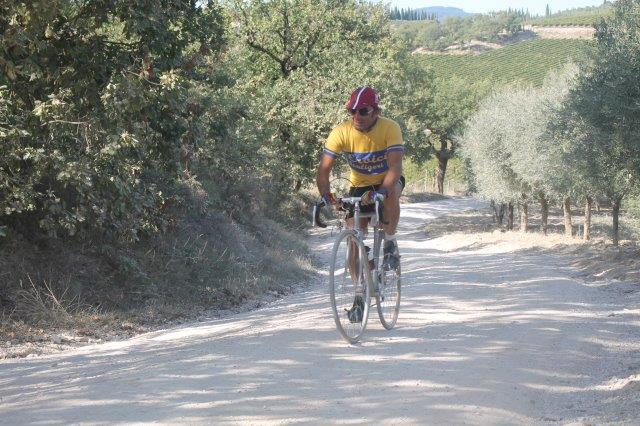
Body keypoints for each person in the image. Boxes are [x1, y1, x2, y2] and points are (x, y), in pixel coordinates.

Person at [316, 87, 405, 321]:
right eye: (352, 111)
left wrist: (381, 192)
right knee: (352, 239)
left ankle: (390, 242)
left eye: (363, 111)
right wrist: (328, 198)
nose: (357, 116)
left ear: (375, 111)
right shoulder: (341, 132)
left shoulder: (390, 128)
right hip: (359, 186)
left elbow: (395, 167)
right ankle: (359, 294)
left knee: (391, 194)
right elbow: (324, 170)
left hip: (387, 181)